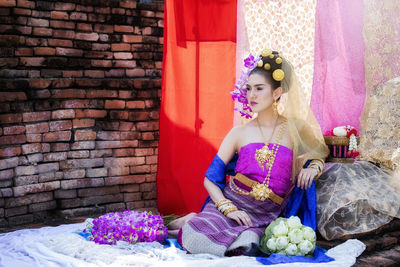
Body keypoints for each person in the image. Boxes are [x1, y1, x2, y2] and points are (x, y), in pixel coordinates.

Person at [168, 49, 329, 256]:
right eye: (249, 88)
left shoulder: (295, 129)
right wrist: (229, 208)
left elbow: (320, 151)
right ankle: (194, 220)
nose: (251, 95)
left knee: (247, 246)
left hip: (266, 214)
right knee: (199, 239)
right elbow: (210, 178)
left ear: (277, 93)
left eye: (259, 88)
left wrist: (313, 167)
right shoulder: (239, 133)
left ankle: (193, 219)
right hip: (233, 206)